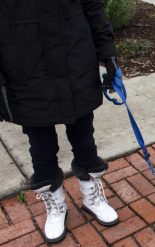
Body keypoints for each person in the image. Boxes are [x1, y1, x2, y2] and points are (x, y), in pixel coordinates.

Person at [0, 0, 120, 243]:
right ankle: (55, 204)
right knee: (41, 147)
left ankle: (91, 196)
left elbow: (93, 7)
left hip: (76, 63)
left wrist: (108, 54)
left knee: (84, 138)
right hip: (26, 71)